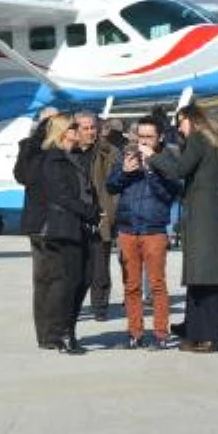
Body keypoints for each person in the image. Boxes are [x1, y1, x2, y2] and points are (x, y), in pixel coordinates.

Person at [147, 103, 218, 354]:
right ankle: (198, 332)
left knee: (204, 276)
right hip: (208, 215)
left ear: (191, 120)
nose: (178, 127)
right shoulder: (213, 141)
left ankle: (209, 336)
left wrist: (153, 155)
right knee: (202, 277)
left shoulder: (198, 139)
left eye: (180, 121)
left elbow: (179, 170)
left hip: (203, 217)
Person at [107, 116, 181, 349]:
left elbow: (170, 194)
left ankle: (160, 334)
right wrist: (125, 173)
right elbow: (110, 185)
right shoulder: (127, 154)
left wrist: (151, 169)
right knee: (131, 285)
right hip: (128, 227)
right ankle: (134, 333)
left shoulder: (168, 159)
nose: (144, 141)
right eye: (141, 136)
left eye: (149, 136)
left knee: (157, 284)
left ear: (159, 137)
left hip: (154, 229)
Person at [38, 114, 94, 354]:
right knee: (70, 281)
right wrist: (88, 211)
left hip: (81, 225)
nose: (77, 130)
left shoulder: (76, 157)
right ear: (63, 132)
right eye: (73, 127)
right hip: (64, 227)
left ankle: (66, 329)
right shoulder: (53, 160)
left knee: (84, 279)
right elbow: (61, 195)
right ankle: (63, 333)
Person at [15, 107, 58, 349]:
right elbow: (23, 176)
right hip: (41, 222)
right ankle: (47, 334)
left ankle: (49, 333)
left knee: (47, 278)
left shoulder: (47, 148)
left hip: (45, 221)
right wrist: (36, 141)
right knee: (45, 279)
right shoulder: (33, 149)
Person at [72, 110, 119, 322]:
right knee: (75, 267)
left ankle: (100, 308)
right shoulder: (68, 153)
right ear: (75, 130)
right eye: (85, 128)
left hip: (101, 216)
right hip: (75, 217)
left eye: (93, 128)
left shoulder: (108, 152)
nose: (90, 132)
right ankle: (73, 305)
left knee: (101, 268)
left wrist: (111, 212)